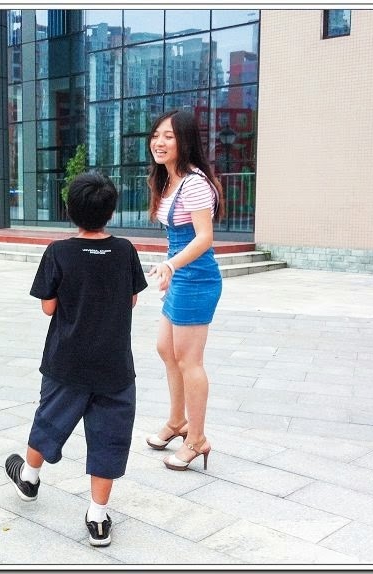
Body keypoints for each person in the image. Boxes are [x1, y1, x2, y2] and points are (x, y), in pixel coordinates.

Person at [4, 172, 148, 547]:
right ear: (111, 211)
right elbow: (132, 299)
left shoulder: (58, 252)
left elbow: (48, 308)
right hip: (114, 366)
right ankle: (97, 517)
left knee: (49, 420)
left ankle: (29, 478)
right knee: (110, 437)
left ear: (69, 210)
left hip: (65, 362)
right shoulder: (125, 251)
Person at [144, 109, 225, 472]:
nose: (159, 143)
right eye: (156, 135)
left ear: (185, 141)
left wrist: (172, 265)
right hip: (181, 276)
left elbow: (204, 238)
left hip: (197, 279)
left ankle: (197, 439)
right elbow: (178, 239)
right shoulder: (168, 179)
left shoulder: (194, 183)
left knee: (190, 360)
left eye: (169, 136)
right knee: (166, 349)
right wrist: (169, 268)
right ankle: (177, 422)